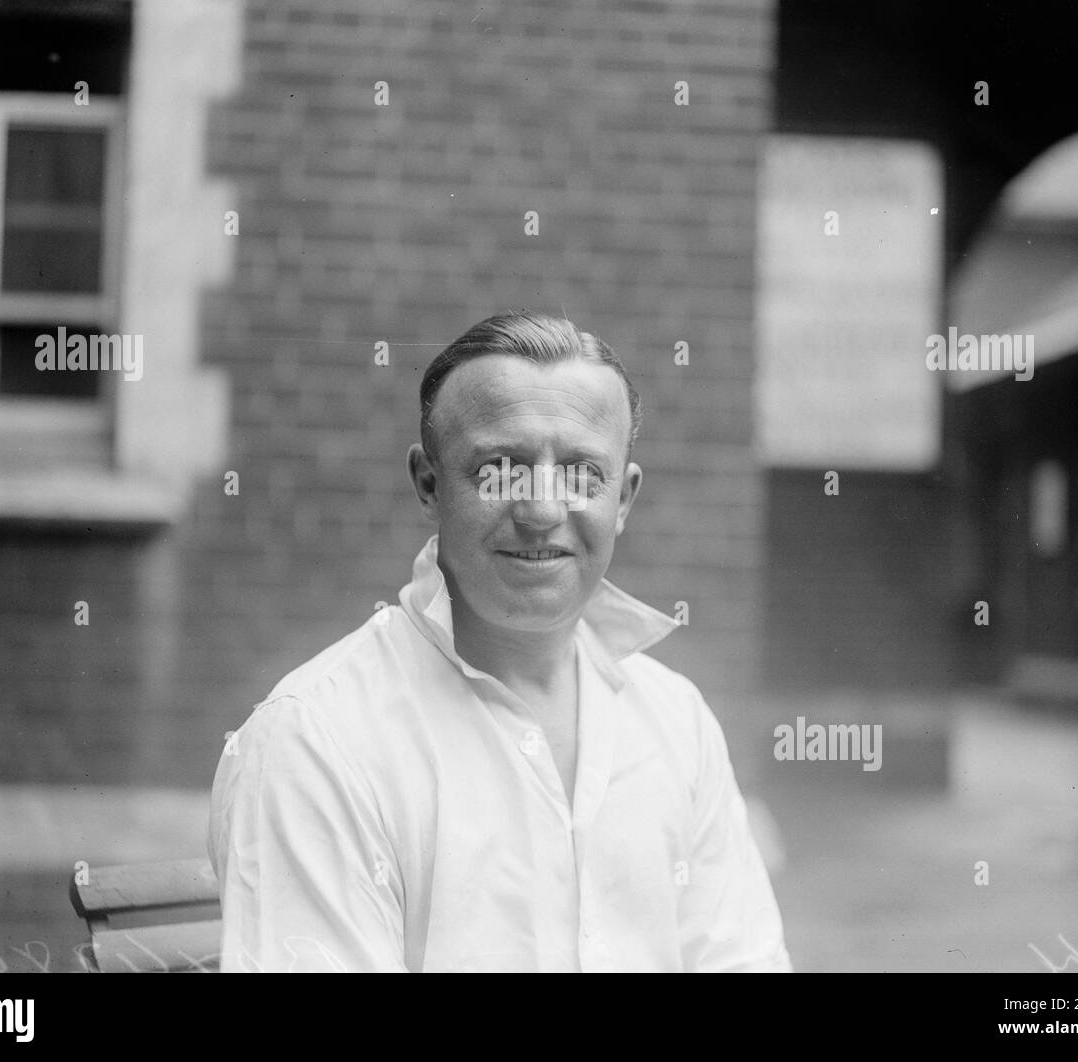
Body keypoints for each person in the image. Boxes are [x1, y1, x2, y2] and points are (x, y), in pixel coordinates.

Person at [208, 310, 791, 972]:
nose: (542, 510)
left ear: (622, 499)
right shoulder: (317, 741)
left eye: (580, 473)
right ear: (428, 484)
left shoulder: (676, 721)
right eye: (501, 469)